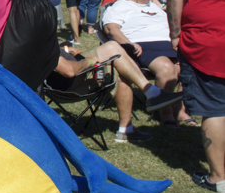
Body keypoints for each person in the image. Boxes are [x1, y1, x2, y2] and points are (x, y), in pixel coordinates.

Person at [166, 0, 225, 193]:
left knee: (215, 108)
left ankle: (218, 177)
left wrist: (175, 34)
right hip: (211, 38)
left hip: (207, 40)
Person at [102, 0, 191, 126]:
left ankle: (178, 108)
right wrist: (129, 44)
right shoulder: (121, 5)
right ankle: (165, 111)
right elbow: (112, 29)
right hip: (142, 45)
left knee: (186, 68)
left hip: (167, 44)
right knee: (167, 68)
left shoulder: (155, 6)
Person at [52, 40, 180, 142]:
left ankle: (127, 129)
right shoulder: (41, 37)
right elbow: (69, 70)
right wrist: (89, 61)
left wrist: (68, 50)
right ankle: (152, 93)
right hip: (71, 82)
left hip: (74, 69)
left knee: (119, 66)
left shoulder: (39, 35)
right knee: (112, 48)